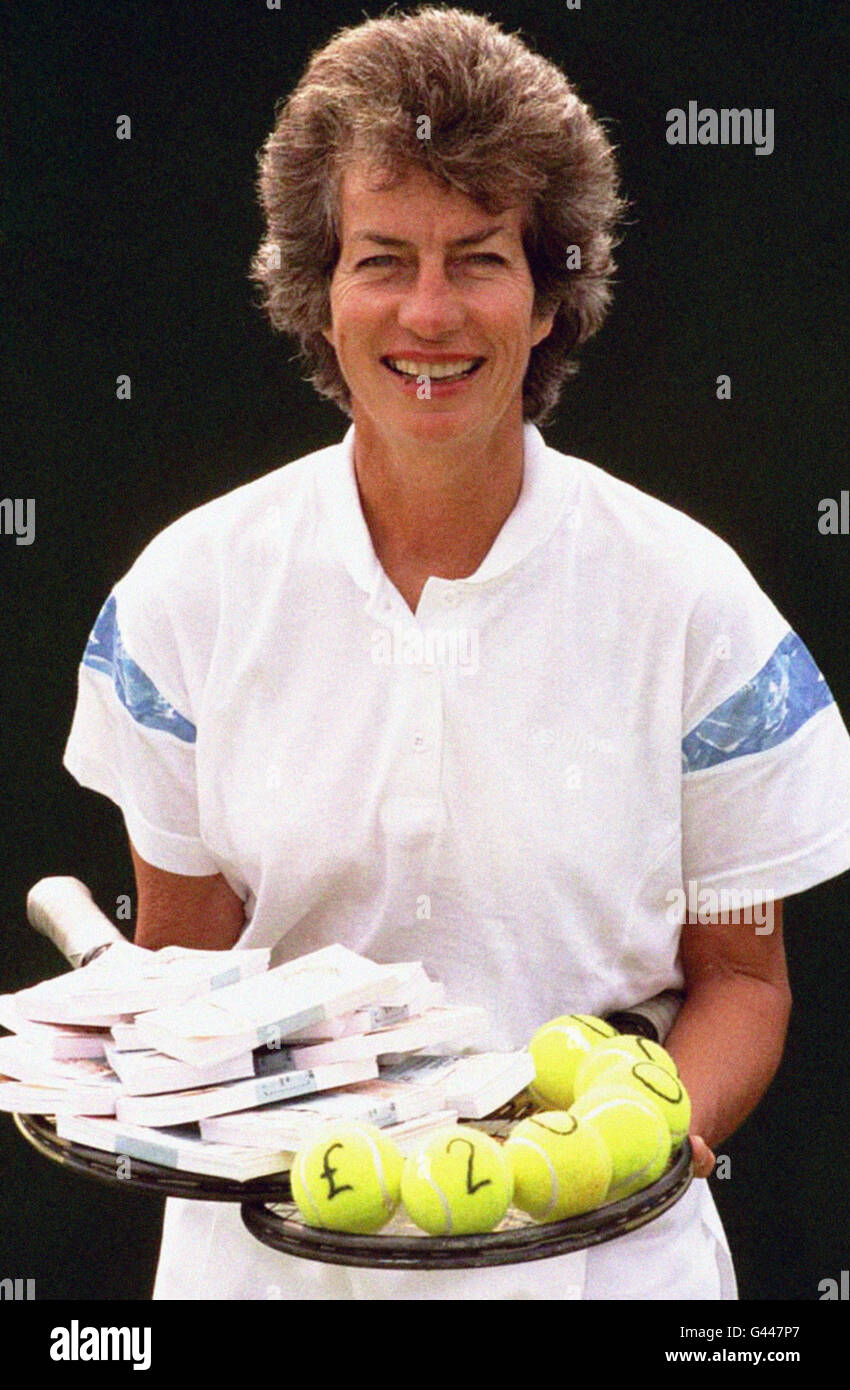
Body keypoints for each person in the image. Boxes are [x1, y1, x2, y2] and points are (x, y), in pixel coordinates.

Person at [63, 7, 850, 1300]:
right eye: (383, 259)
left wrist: (625, 1148)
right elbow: (187, 971)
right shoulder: (186, 598)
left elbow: (743, 982)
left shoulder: (695, 607)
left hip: (609, 1277)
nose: (428, 313)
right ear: (319, 291)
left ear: (548, 296)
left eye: (478, 258)